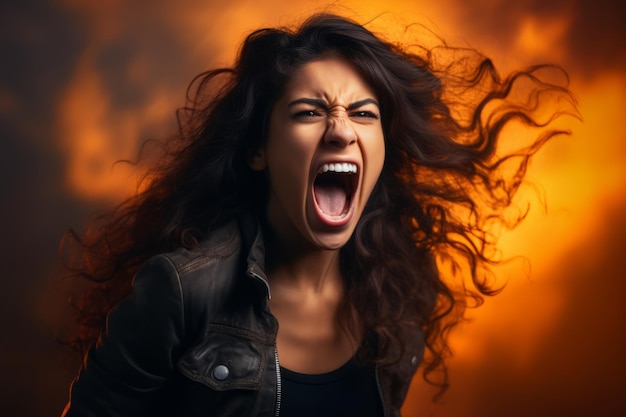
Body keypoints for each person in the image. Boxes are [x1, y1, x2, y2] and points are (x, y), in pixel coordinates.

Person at [60, 13, 576, 417]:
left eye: (364, 113)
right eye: (309, 111)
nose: (340, 129)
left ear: (382, 149)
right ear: (258, 150)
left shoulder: (403, 293)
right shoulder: (181, 291)